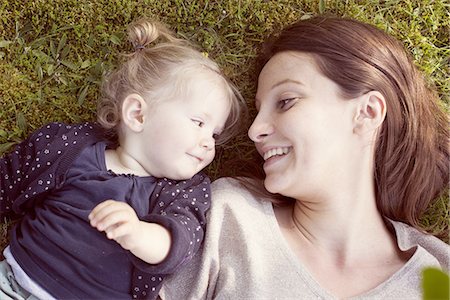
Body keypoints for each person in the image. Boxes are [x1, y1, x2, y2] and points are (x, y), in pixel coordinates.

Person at [159, 15, 449, 299]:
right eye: (259, 110)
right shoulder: (228, 218)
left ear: (367, 113)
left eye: (286, 102)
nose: (255, 130)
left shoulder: (437, 274)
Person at [0, 18, 244, 300]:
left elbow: (182, 242)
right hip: (14, 283)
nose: (208, 143)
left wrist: (139, 234)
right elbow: (11, 176)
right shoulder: (71, 148)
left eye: (214, 134)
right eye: (199, 123)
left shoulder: (185, 192)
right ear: (138, 114)